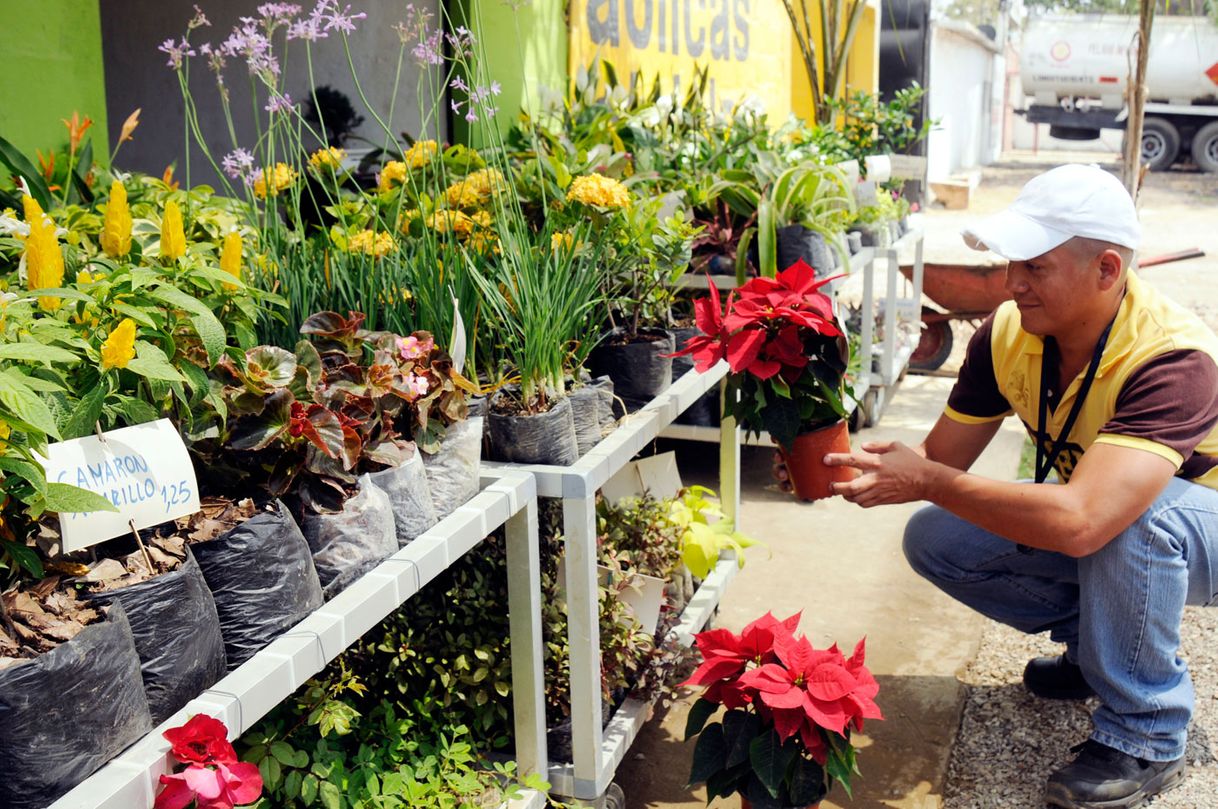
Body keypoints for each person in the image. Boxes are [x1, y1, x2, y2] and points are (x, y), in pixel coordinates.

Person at [823, 164, 1218, 808]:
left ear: (1107, 270)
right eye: (1012, 265)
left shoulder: (1173, 360)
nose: (1012, 285)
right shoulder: (1007, 334)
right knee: (938, 536)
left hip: (1203, 530)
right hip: (1112, 514)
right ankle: (1100, 651)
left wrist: (929, 478)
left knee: (1133, 519)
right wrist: (847, 460)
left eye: (1034, 267)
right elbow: (940, 458)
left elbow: (1085, 519)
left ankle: (1146, 730)